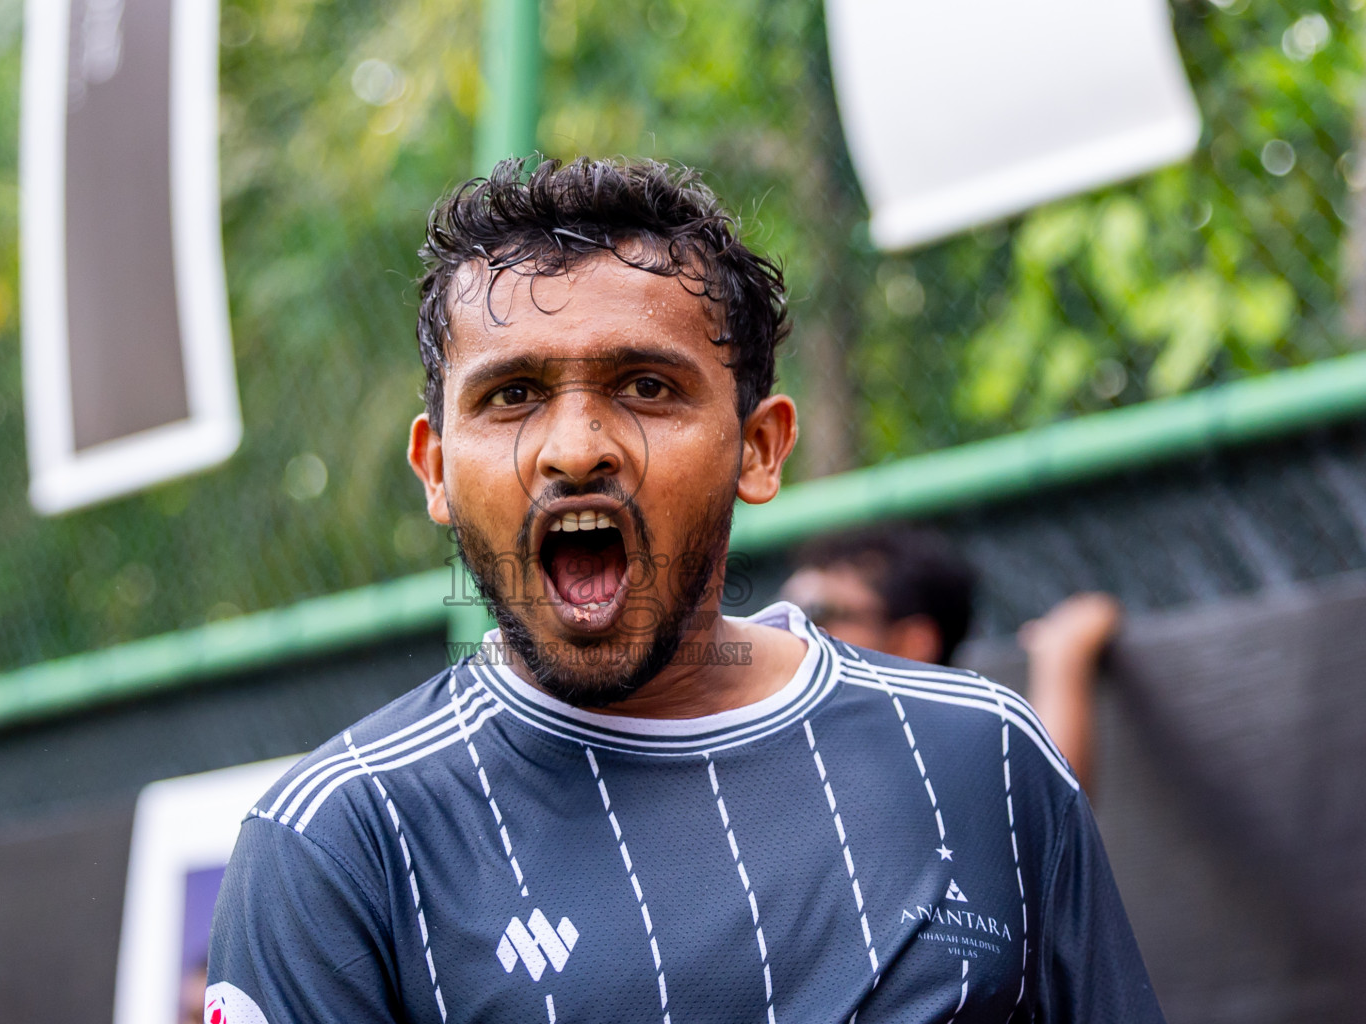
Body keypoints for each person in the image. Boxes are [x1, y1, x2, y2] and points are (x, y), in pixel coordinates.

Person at [205, 158, 1162, 1024]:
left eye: (647, 386)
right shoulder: (334, 842)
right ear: (437, 469)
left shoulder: (986, 757)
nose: (577, 447)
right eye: (512, 395)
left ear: (759, 446)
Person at [780, 527, 1120, 795]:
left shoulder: (934, 756)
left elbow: (1049, 801)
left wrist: (1063, 657)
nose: (787, 628)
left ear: (912, 643)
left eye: (817, 613)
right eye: (784, 610)